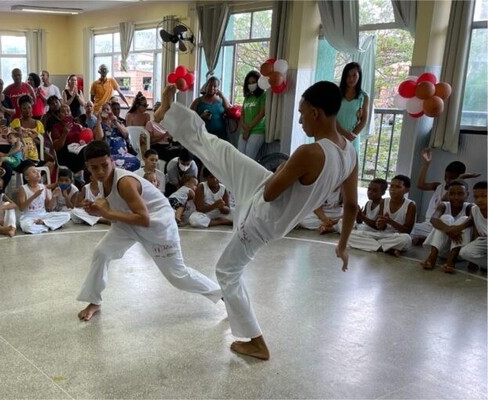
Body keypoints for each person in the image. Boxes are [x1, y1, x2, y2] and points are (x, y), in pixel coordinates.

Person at [155, 81, 358, 360]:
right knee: (223, 153)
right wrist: (343, 244)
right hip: (267, 194)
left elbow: (273, 192)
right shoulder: (350, 152)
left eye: (301, 113)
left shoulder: (310, 153)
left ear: (316, 113)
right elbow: (352, 205)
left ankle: (256, 341)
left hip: (265, 215)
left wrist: (286, 168)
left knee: (226, 271)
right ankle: (170, 113)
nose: (299, 120)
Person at [76, 140, 222, 321]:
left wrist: (107, 212)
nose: (100, 172)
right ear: (87, 168)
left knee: (178, 276)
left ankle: (222, 295)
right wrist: (98, 210)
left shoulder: (125, 182)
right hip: (129, 222)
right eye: (94, 168)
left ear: (112, 161)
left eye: (104, 165)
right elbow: (112, 212)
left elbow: (144, 219)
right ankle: (94, 301)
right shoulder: (102, 182)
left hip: (158, 225)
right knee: (102, 252)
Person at [411, 149, 479, 243]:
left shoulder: (459, 193)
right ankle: (426, 238)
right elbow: (420, 185)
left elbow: (444, 201)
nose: (447, 180)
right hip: (428, 224)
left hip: (443, 224)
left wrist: (459, 179)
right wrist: (426, 164)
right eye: (446, 176)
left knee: (451, 235)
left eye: (452, 178)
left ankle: (427, 239)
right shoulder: (438, 186)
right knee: (408, 228)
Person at [347, 175, 415, 256]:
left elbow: (407, 231)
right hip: (382, 235)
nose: (393, 189)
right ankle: (385, 249)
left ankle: (376, 246)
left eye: (398, 187)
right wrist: (380, 224)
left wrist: (390, 221)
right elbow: (381, 228)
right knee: (349, 235)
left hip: (397, 237)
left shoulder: (410, 205)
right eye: (391, 186)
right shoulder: (384, 202)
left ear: (406, 190)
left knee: (406, 239)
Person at [420, 180, 472, 273]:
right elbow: (433, 219)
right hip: (441, 249)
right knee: (446, 217)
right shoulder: (444, 205)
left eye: (460, 194)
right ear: (447, 194)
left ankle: (451, 259)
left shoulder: (470, 207)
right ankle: (432, 256)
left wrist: (457, 229)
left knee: (464, 219)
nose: (456, 197)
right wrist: (449, 230)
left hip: (460, 253)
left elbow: (471, 220)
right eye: (452, 194)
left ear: (467, 194)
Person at [16, 164, 70, 234]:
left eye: (38, 171)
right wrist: (34, 196)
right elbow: (22, 208)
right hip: (29, 217)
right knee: (27, 227)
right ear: (27, 177)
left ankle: (43, 224)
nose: (38, 173)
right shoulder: (23, 188)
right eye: (34, 172)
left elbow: (49, 208)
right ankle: (48, 225)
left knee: (67, 216)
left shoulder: (43, 187)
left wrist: (53, 197)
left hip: (43, 215)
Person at [336, 62, 370, 158]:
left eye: (354, 75)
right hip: (336, 135)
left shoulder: (363, 96)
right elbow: (331, 116)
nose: (351, 79)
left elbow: (364, 120)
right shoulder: (337, 93)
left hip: (352, 138)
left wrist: (351, 135)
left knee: (351, 166)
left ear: (359, 76)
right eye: (348, 76)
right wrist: (344, 134)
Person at [97, 103, 139, 171]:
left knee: (136, 162)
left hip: (124, 154)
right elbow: (99, 138)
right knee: (112, 164)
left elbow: (126, 134)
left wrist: (115, 122)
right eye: (103, 109)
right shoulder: (99, 125)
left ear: (111, 111)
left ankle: (118, 171)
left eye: (107, 109)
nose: (106, 111)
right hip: (110, 155)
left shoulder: (118, 122)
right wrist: (98, 121)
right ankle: (118, 171)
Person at [190, 76, 231, 141]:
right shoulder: (197, 101)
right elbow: (190, 119)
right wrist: (201, 117)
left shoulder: (221, 100)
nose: (212, 88)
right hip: (203, 137)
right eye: (210, 85)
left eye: (215, 86)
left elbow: (229, 109)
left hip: (220, 137)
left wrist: (222, 96)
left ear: (218, 88)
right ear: (206, 86)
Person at [239, 71, 267, 159]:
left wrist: (248, 128)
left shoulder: (263, 95)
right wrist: (243, 126)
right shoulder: (247, 97)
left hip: (257, 130)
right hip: (244, 130)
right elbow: (242, 113)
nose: (251, 85)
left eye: (253, 82)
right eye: (249, 83)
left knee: (249, 158)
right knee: (239, 156)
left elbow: (261, 114)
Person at [460, 181, 486, 272]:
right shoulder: (474, 210)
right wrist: (473, 261)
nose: (479, 200)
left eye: (484, 196)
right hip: (484, 241)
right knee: (464, 252)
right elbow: (476, 234)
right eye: (476, 197)